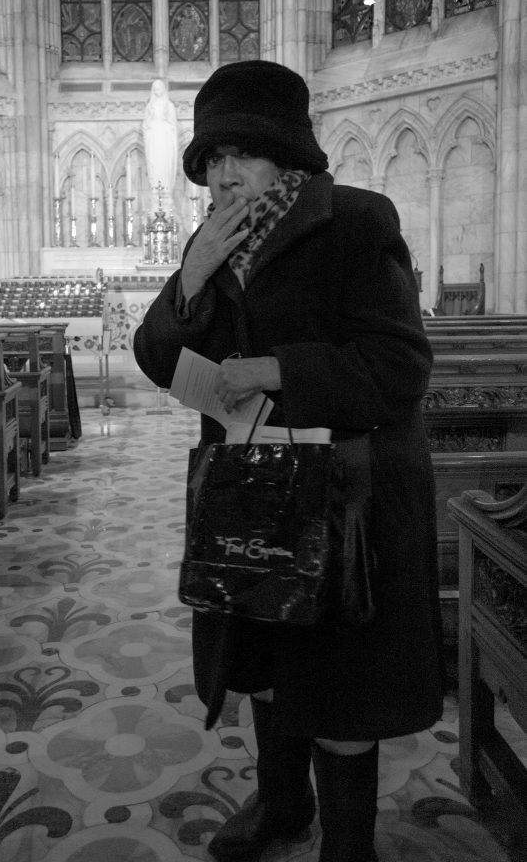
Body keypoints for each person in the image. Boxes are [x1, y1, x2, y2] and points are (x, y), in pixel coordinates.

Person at [133, 60, 444, 862]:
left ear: (288, 157)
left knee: (341, 697)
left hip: (348, 505)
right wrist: (187, 284)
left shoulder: (355, 222)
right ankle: (282, 810)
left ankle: (347, 847)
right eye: (210, 161)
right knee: (266, 670)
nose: (224, 174)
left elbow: (400, 367)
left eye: (241, 154)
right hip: (251, 498)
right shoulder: (212, 244)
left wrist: (279, 370)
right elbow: (158, 360)